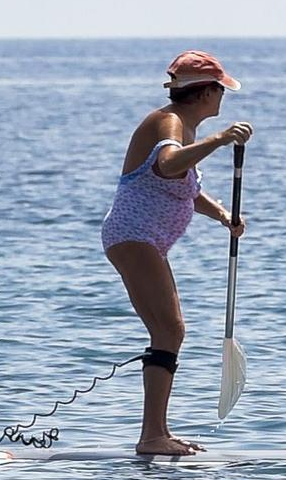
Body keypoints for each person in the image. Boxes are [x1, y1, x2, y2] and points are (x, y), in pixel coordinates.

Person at [101, 50, 252, 455]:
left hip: (143, 240)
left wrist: (222, 215)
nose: (223, 97)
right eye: (221, 89)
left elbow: (183, 188)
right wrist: (219, 140)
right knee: (170, 330)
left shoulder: (183, 126)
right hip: (134, 237)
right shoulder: (168, 122)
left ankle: (156, 433)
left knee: (168, 331)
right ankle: (153, 437)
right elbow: (167, 166)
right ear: (205, 93)